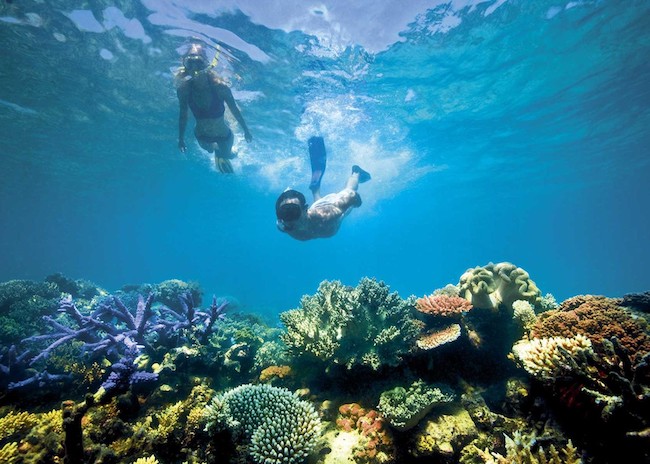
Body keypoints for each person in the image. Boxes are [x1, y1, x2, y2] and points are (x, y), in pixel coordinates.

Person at [175, 42, 253, 173]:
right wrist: (181, 139)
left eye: (198, 63)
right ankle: (217, 151)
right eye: (190, 63)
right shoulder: (184, 90)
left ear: (206, 65)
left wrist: (246, 130)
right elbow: (183, 115)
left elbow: (234, 110)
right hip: (201, 136)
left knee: (228, 155)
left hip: (224, 135)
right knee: (210, 150)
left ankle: (230, 152)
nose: (195, 68)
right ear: (185, 65)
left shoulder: (220, 87)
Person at [276, 136, 371, 241]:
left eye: (294, 211)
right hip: (317, 214)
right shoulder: (283, 223)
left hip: (330, 210)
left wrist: (356, 202)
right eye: (283, 213)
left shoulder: (329, 215)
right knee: (318, 205)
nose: (289, 217)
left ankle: (356, 173)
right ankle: (315, 188)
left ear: (305, 209)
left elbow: (352, 196)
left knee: (349, 190)